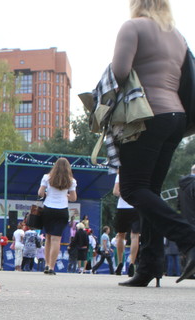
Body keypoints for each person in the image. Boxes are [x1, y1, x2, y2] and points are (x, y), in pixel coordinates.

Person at [113, 0, 195, 287]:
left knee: (133, 189)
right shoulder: (178, 37)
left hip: (146, 116)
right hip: (176, 119)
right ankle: (149, 266)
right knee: (151, 193)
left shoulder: (133, 27)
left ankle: (189, 239)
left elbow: (120, 71)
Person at [38, 157, 77, 275]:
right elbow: (74, 198)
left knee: (48, 238)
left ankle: (46, 263)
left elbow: (40, 193)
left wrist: (46, 193)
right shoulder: (71, 181)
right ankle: (51, 267)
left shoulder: (47, 177)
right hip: (62, 210)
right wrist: (66, 195)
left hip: (48, 209)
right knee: (56, 240)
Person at [113, 172, 140, 277]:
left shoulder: (121, 175)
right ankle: (132, 263)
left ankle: (120, 262)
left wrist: (124, 194)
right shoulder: (139, 175)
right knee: (135, 236)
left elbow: (115, 191)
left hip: (122, 207)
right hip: (135, 207)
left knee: (121, 235)